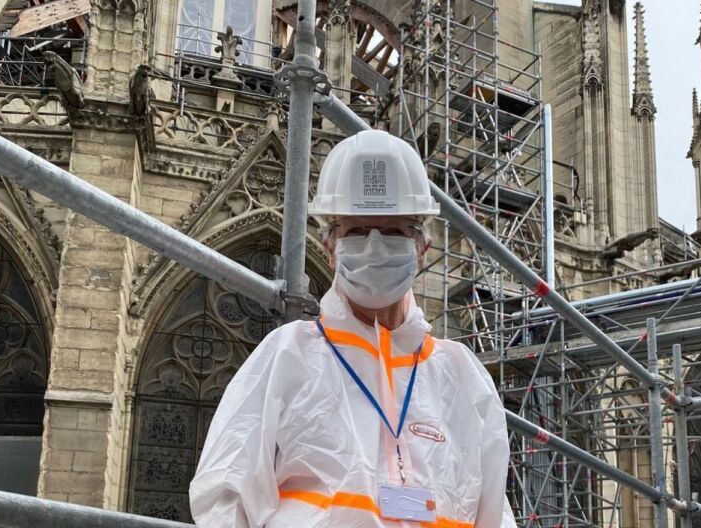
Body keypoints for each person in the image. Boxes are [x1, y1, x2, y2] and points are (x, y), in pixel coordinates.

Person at [189, 130, 517, 527]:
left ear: (422, 249)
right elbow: (225, 495)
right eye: (357, 231)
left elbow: (495, 514)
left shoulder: (461, 375)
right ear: (329, 248)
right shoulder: (287, 355)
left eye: (394, 232)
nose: (375, 247)